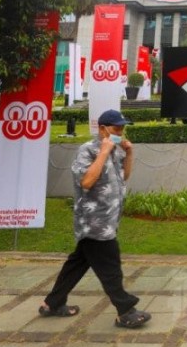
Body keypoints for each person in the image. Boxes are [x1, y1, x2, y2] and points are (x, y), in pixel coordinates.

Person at [39, 109, 151, 329]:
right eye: (116, 128)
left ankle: (53, 303)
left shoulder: (116, 151)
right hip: (93, 222)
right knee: (110, 267)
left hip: (108, 220)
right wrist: (103, 151)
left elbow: (124, 176)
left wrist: (128, 153)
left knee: (77, 263)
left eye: (122, 128)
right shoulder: (87, 150)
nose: (120, 132)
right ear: (102, 129)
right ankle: (125, 310)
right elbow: (87, 182)